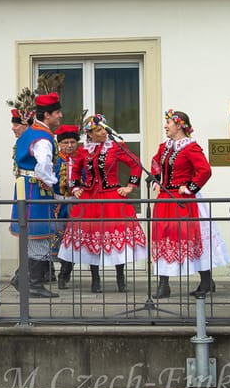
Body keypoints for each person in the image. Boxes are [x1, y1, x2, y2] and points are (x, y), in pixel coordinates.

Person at [58, 115, 147, 293]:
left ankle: (121, 278)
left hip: (112, 197)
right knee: (93, 237)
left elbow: (136, 164)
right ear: (89, 134)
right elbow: (74, 171)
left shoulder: (116, 147)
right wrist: (75, 188)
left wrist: (130, 186)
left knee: (115, 234)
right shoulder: (84, 150)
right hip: (90, 198)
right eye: (98, 130)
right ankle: (95, 279)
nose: (104, 132)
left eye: (104, 128)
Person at [150, 110, 230, 299]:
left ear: (180, 125)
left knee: (193, 239)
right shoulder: (165, 147)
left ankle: (206, 280)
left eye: (169, 123)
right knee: (164, 239)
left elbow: (205, 170)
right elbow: (156, 163)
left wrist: (189, 188)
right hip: (165, 199)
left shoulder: (191, 148)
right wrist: (155, 178)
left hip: (185, 202)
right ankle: (164, 284)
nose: (165, 126)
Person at [10, 91, 63, 299]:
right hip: (35, 188)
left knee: (33, 235)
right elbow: (43, 167)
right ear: (47, 115)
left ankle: (21, 278)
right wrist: (54, 186)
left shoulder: (31, 131)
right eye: (57, 113)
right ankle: (33, 283)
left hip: (26, 186)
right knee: (39, 234)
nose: (60, 116)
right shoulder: (43, 138)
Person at [50, 125, 85, 289]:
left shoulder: (83, 160)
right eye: (65, 142)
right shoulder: (54, 161)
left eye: (72, 142)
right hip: (59, 205)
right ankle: (58, 270)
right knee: (59, 238)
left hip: (78, 205)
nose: (69, 145)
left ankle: (65, 272)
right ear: (59, 144)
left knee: (74, 239)